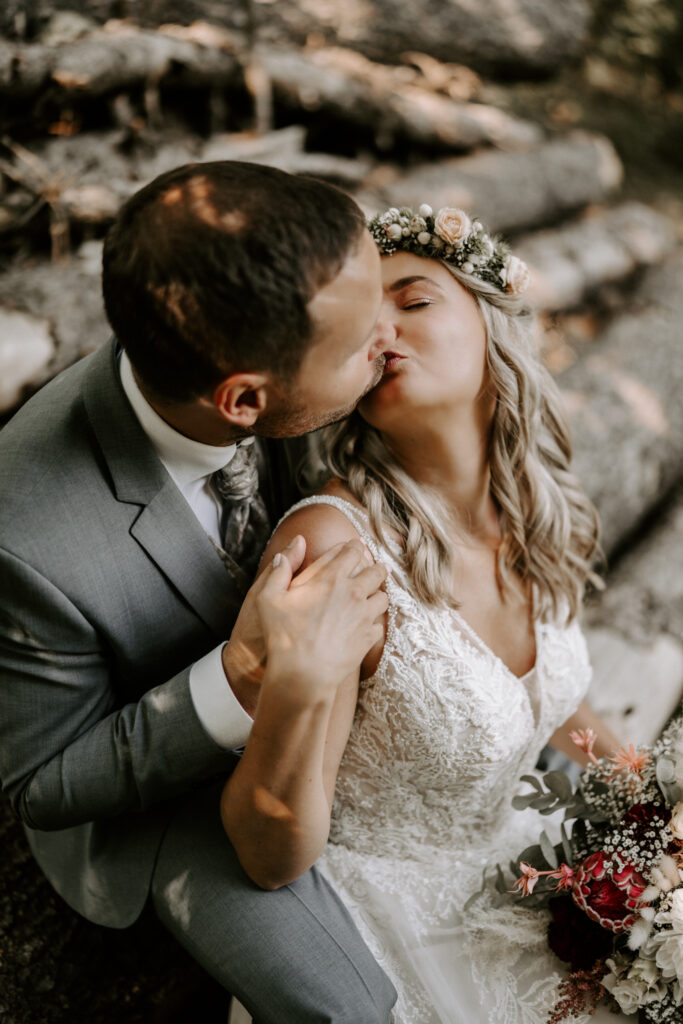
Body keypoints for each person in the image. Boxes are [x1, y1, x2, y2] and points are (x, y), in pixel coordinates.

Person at [0, 161, 399, 1023]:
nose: (387, 336)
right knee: (353, 1006)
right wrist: (247, 670)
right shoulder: (24, 540)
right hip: (172, 794)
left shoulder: (257, 343)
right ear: (244, 399)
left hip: (348, 718)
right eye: (361, 338)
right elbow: (41, 784)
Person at [221, 204, 624, 1023]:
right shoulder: (337, 549)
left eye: (412, 300)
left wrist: (657, 801)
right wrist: (297, 679)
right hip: (392, 944)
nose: (384, 333)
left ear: (488, 317)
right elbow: (268, 853)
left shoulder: (535, 517)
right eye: (362, 325)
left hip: (520, 896)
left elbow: (549, 704)